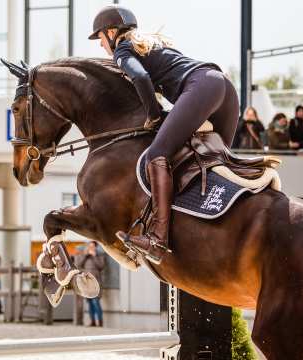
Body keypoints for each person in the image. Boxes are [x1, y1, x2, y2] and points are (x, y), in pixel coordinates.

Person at [89, 5, 239, 262]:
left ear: (112, 33)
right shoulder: (150, 46)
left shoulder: (123, 50)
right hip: (224, 88)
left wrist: (153, 114)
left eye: (101, 38)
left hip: (202, 87)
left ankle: (157, 239)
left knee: (156, 155)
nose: (102, 45)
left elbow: (141, 77)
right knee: (214, 165)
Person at [75, 241, 106, 327]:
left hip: (96, 283)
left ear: (95, 247)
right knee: (89, 302)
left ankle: (100, 322)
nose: (91, 248)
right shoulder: (84, 255)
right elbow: (78, 265)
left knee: (95, 302)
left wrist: (94, 256)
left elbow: (101, 266)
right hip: (87, 283)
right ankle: (92, 321)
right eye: (90, 246)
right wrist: (85, 256)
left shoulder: (99, 256)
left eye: (93, 246)